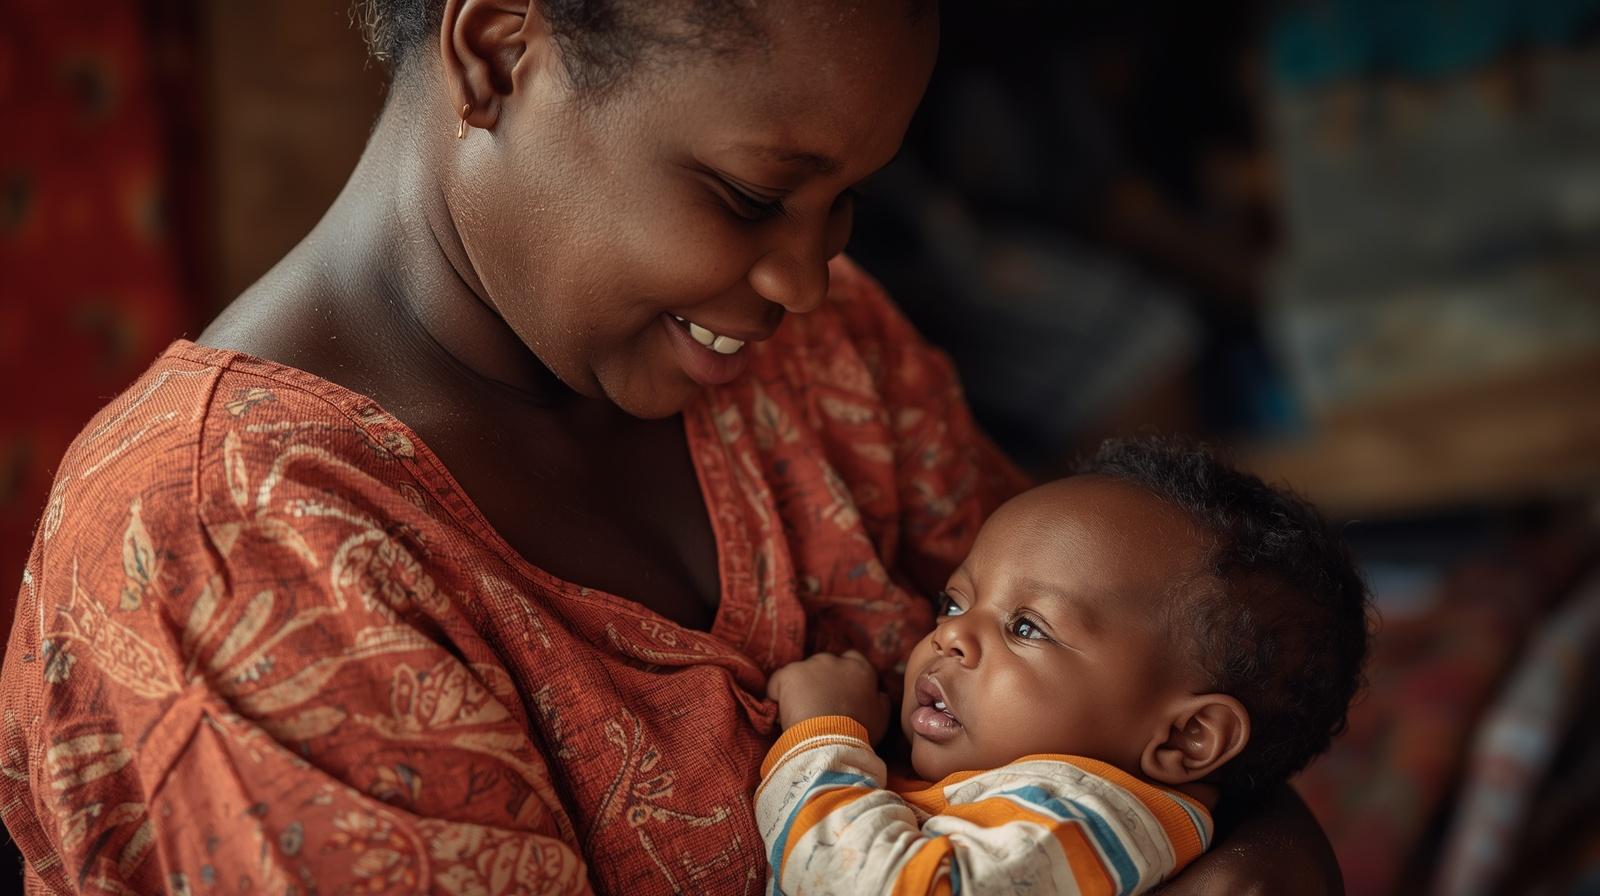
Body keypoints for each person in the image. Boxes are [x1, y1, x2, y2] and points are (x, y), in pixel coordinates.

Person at [0, 2, 1343, 892]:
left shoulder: (817, 357)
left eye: (846, 201)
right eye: (753, 195)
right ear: (497, 50)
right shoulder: (227, 546)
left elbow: (1157, 695)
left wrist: (1262, 842)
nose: (810, 277)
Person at [759, 438, 1371, 894]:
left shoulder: (1083, 814)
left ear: (1187, 736)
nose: (949, 636)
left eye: (1027, 627)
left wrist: (822, 733)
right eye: (954, 602)